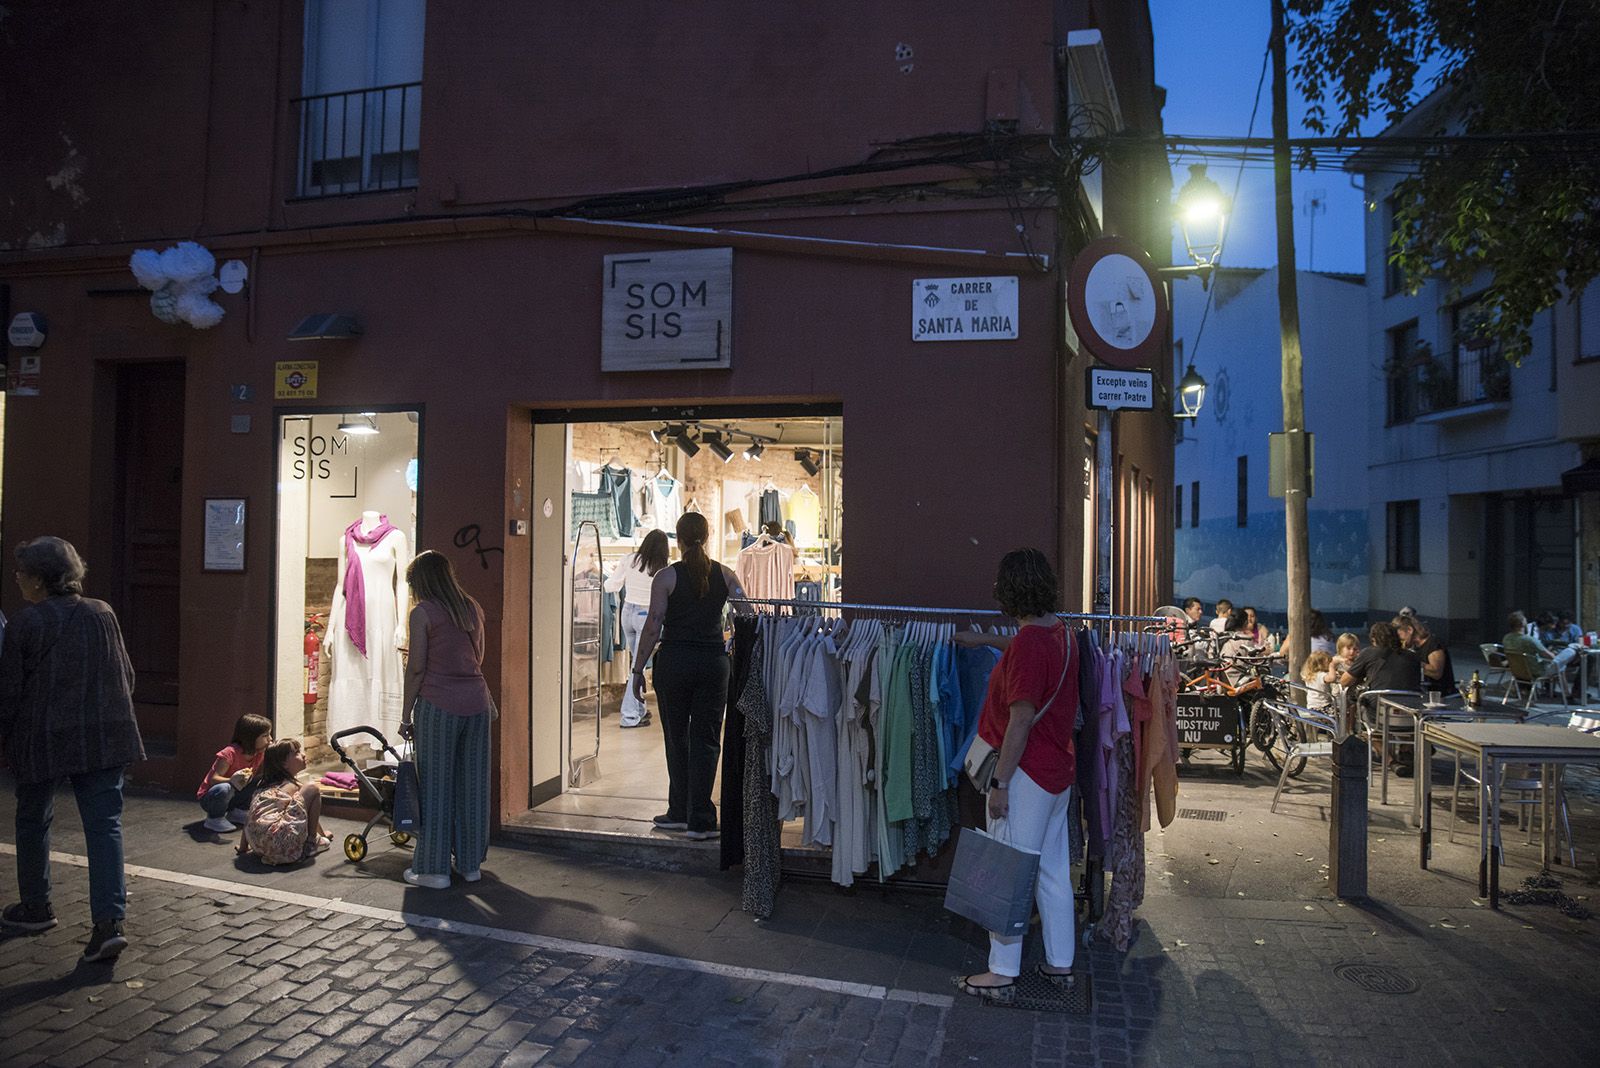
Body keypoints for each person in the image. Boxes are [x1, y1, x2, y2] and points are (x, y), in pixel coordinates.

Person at [0, 537, 143, 961]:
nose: (18, 580)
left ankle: (37, 905)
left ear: (41, 579)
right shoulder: (103, 612)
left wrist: (6, 736)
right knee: (104, 826)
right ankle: (109, 923)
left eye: (23, 573)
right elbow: (127, 675)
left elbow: (10, 691)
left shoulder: (26, 624)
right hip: (105, 734)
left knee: (32, 817)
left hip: (44, 736)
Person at [951, 548, 1077, 1004]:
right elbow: (1029, 651)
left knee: (1007, 870)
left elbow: (1020, 719)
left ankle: (1002, 971)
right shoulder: (1062, 633)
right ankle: (1061, 964)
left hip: (1024, 775)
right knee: (1052, 871)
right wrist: (984, 640)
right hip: (1057, 771)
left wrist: (1000, 783)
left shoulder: (1029, 644)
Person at [631, 511, 749, 841]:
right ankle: (700, 818)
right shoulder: (725, 575)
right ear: (708, 538)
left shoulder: (666, 578)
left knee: (677, 737)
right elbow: (747, 615)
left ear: (678, 540)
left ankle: (678, 811)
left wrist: (637, 670)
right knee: (708, 739)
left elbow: (653, 624)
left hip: (675, 663)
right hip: (713, 664)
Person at [398, 550, 495, 889]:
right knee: (474, 787)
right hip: (478, 704)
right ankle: (470, 865)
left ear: (420, 582)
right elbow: (479, 656)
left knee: (436, 788)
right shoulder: (472, 607)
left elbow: (417, 667)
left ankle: (433, 869)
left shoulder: (422, 613)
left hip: (438, 705)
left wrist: (405, 711)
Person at [603, 529, 670, 729]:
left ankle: (639, 710)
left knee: (637, 662)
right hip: (647, 617)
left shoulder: (629, 559)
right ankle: (629, 716)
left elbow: (611, 586)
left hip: (627, 614)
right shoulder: (662, 568)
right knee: (638, 667)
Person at [1341, 621, 1422, 775]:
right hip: (1411, 717)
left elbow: (1344, 681)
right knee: (1401, 705)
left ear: (1374, 639)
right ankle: (1406, 750)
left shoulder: (1369, 653)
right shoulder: (1413, 657)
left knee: (1366, 719)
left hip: (1381, 714)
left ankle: (1391, 761)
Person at [238, 739, 330, 866]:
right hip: (281, 845)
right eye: (296, 752)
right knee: (312, 788)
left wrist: (244, 847)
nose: (303, 754)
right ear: (283, 764)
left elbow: (252, 814)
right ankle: (311, 843)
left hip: (259, 846)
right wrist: (322, 834)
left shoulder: (262, 786)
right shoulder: (293, 785)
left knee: (297, 805)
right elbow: (306, 811)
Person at [198, 714, 273, 833]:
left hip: (234, 795)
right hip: (212, 797)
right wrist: (231, 780)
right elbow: (213, 779)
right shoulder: (230, 753)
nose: (270, 739)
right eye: (265, 736)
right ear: (251, 737)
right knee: (225, 788)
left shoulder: (259, 753)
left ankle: (237, 812)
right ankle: (214, 818)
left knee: (261, 779)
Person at [1503, 610, 1577, 696]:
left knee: (1561, 666)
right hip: (1537, 671)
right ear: (1522, 624)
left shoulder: (1506, 638)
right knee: (1569, 651)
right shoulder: (1530, 640)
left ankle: (1566, 694)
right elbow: (1550, 656)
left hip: (1519, 670)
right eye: (1525, 620)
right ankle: (1575, 647)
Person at [1393, 611, 1455, 697]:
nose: (1399, 639)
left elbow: (1437, 672)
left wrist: (1410, 660)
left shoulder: (1433, 644)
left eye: (1400, 635)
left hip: (1440, 693)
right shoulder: (1414, 647)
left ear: (1409, 630)